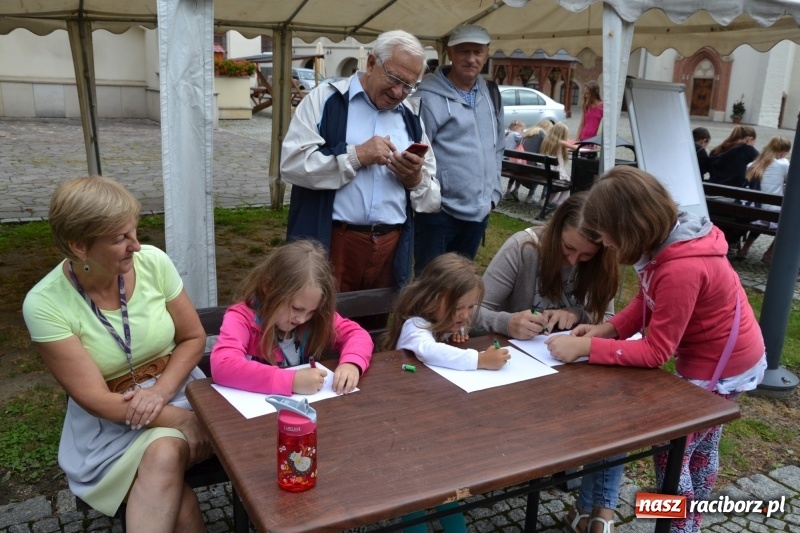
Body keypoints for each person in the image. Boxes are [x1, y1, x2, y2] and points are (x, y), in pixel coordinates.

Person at [546, 167, 767, 533]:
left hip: (717, 368)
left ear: (628, 226)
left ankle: (680, 526)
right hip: (730, 360)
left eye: (605, 235)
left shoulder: (681, 268)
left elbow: (654, 353)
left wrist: (587, 346)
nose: (606, 243)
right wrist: (610, 328)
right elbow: (646, 300)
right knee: (698, 447)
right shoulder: (667, 244)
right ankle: (694, 512)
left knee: (672, 454)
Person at [22, 176, 210, 530]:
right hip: (109, 423)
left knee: (165, 457)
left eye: (134, 231)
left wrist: (160, 394)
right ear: (80, 247)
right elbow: (95, 399)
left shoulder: (153, 263)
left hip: (179, 392)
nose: (136, 246)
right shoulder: (45, 303)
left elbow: (192, 337)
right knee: (168, 457)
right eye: (120, 238)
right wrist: (179, 420)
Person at [473, 194, 622, 533]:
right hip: (514, 375)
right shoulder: (523, 248)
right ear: (555, 233)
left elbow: (612, 320)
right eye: (568, 249)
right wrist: (507, 322)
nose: (574, 260)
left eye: (586, 255)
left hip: (569, 372)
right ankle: (596, 516)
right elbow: (471, 312)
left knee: (613, 411)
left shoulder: (603, 264)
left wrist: (575, 315)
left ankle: (597, 513)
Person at [280, 30, 440, 291]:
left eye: (409, 85)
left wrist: (415, 179)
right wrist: (356, 156)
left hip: (391, 247)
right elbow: (292, 165)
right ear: (372, 62)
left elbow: (432, 198)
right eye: (394, 78)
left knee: (376, 326)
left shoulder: (411, 117)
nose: (399, 92)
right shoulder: (326, 100)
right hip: (331, 242)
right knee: (322, 323)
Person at [210, 240, 373, 395]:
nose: (302, 319)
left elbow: (357, 334)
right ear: (268, 287)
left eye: (311, 311)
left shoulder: (316, 318)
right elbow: (222, 365)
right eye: (296, 308)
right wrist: (291, 381)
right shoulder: (242, 318)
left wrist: (351, 363)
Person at [413, 25, 505, 275]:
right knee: (429, 283)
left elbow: (499, 147)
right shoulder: (428, 98)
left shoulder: (492, 94)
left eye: (478, 52)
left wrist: (493, 194)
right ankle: (421, 316)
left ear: (486, 54)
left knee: (460, 283)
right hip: (439, 215)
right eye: (464, 52)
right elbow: (417, 154)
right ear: (450, 54)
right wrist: (431, 199)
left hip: (479, 213)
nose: (471, 59)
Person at [384, 253, 510, 370]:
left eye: (471, 306)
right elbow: (429, 351)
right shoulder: (415, 325)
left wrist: (456, 330)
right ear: (431, 301)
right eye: (457, 308)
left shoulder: (442, 320)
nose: (466, 315)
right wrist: (480, 360)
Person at [735, 135, 791, 261]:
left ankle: (744, 248)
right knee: (789, 220)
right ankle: (769, 253)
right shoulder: (784, 164)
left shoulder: (752, 164)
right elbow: (790, 183)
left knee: (764, 213)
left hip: (750, 211)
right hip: (768, 213)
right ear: (783, 152)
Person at [539, 122, 576, 208]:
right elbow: (575, 148)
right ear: (562, 134)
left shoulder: (546, 140)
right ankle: (560, 203)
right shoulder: (560, 142)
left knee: (557, 185)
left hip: (547, 172)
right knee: (571, 182)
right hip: (556, 173)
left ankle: (548, 202)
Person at [503, 119, 526, 201]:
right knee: (520, 171)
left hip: (506, 160)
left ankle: (508, 191)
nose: (522, 132)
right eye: (522, 130)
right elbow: (524, 139)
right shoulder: (515, 134)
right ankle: (516, 189)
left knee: (514, 174)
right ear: (516, 128)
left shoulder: (508, 134)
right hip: (512, 160)